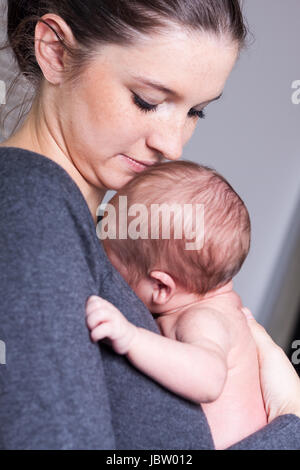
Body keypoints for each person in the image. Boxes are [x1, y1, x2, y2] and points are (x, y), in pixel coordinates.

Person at [0, 0, 300, 450]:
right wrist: (289, 425)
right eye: (149, 101)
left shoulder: (104, 236)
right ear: (55, 51)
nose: (172, 145)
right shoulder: (30, 205)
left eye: (196, 111)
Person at [85, 160, 268, 449]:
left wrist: (132, 338)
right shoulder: (202, 304)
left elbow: (209, 379)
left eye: (113, 266)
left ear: (160, 287)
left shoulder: (203, 318)